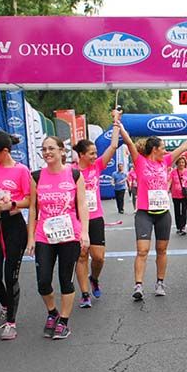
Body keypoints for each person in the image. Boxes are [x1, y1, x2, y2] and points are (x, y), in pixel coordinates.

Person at [118, 119, 187, 300]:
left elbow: (183, 147)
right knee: (142, 250)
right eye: (163, 147)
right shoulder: (140, 161)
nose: (165, 150)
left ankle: (160, 282)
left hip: (162, 214)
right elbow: (128, 141)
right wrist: (118, 124)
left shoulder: (165, 161)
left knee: (161, 249)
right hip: (144, 213)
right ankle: (138, 285)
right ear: (154, 149)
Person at [25, 136, 90, 340]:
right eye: (44, 149)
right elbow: (33, 209)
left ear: (62, 151)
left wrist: (85, 233)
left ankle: (64, 320)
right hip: (44, 235)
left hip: (69, 234)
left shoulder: (74, 174)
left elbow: (82, 205)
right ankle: (52, 312)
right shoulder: (36, 176)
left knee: (65, 280)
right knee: (43, 281)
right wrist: (31, 238)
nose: (47, 152)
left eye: (51, 148)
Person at [0, 131, 32, 340]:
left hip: (14, 225)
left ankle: (11, 322)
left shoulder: (21, 170)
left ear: (4, 151)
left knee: (10, 275)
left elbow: (30, 200)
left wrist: (11, 204)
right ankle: (5, 304)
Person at [74, 126, 120, 309]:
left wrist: (116, 124)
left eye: (95, 153)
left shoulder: (97, 166)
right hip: (77, 219)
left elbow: (114, 146)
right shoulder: (71, 171)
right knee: (82, 255)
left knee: (98, 257)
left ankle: (94, 278)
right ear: (81, 155)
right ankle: (85, 294)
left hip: (95, 217)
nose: (95, 156)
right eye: (91, 153)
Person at [171, 155, 187, 236]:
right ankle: (178, 227)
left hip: (184, 194)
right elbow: (170, 182)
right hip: (175, 194)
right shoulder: (173, 172)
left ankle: (183, 227)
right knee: (177, 211)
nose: (181, 164)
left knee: (184, 211)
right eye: (180, 162)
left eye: (183, 162)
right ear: (177, 163)